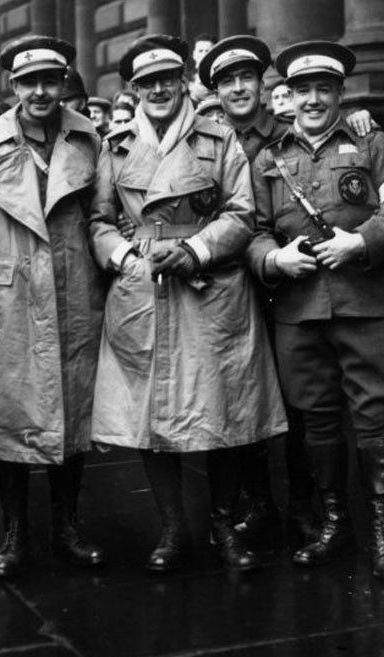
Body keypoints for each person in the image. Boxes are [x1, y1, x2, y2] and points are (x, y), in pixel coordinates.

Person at [90, 33, 286, 573]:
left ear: (183, 83)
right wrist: (126, 258)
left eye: (167, 80)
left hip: (211, 287)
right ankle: (173, 528)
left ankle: (223, 525)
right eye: (146, 82)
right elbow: (100, 221)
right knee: (151, 415)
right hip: (144, 288)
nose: (158, 89)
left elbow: (242, 213)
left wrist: (197, 250)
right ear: (134, 88)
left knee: (223, 408)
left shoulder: (218, 138)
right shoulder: (117, 145)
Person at [247, 40, 384, 580]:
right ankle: (335, 526)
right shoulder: (269, 161)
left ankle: (382, 537)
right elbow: (250, 231)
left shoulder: (374, 144)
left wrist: (360, 244)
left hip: (366, 305)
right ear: (287, 97)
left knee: (374, 420)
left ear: (340, 93)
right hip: (299, 311)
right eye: (303, 91)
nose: (313, 99)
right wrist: (274, 259)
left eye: (324, 89)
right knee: (316, 420)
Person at [0, 35, 106, 577]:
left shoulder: (88, 138)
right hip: (8, 296)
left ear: (63, 83)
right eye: (28, 82)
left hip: (74, 290)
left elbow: (103, 215)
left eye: (50, 80)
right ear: (12, 87)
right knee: (6, 416)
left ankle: (67, 526)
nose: (40, 91)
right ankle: (15, 532)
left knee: (73, 414)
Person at [196, 34, 307, 552]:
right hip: (226, 288)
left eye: (246, 77)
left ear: (264, 83)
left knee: (299, 401)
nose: (237, 88)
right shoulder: (206, 141)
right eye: (226, 81)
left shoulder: (288, 134)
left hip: (285, 283)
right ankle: (257, 504)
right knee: (238, 398)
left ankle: (304, 506)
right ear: (215, 91)